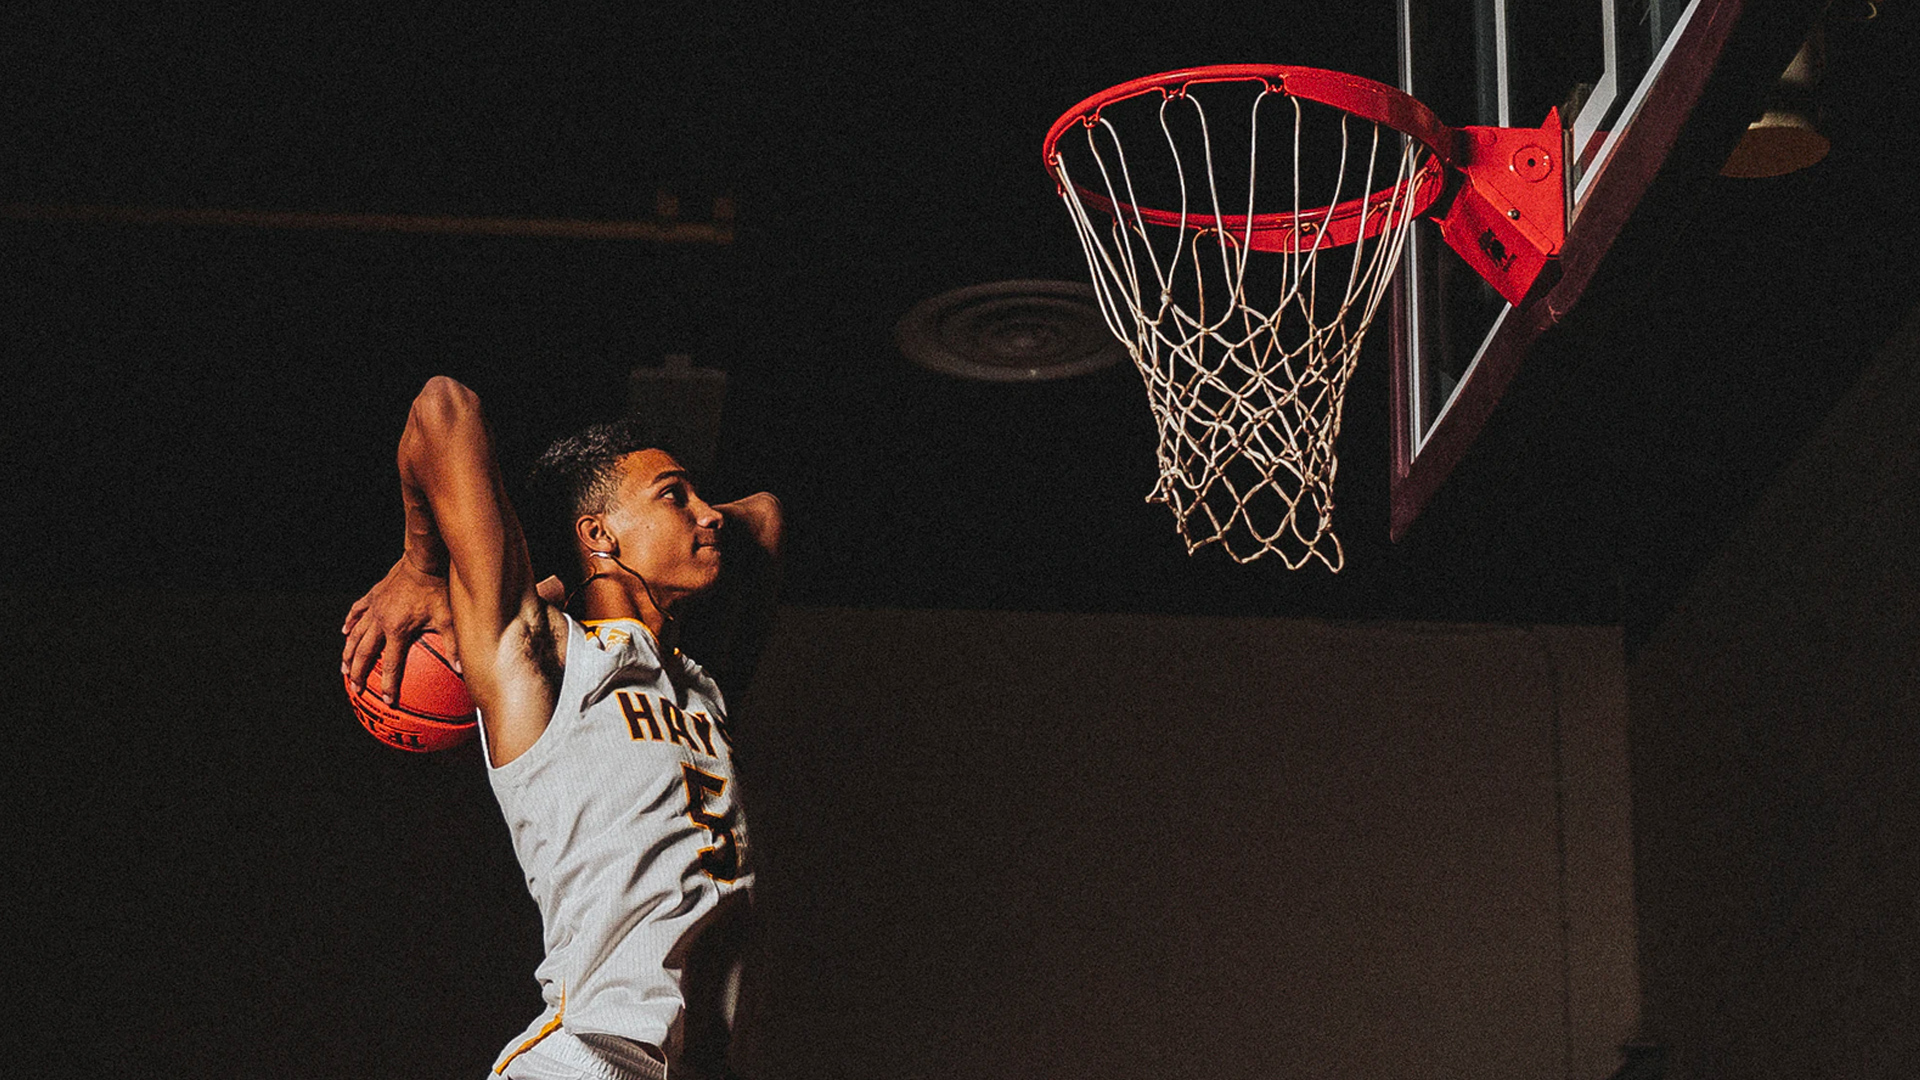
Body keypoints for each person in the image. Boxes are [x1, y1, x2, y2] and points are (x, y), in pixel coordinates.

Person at [341, 375, 782, 1080]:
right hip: (587, 1060)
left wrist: (664, 513)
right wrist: (424, 564)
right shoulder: (541, 655)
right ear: (598, 533)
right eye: (677, 495)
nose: (708, 514)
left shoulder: (701, 683)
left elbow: (763, 515)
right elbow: (441, 407)